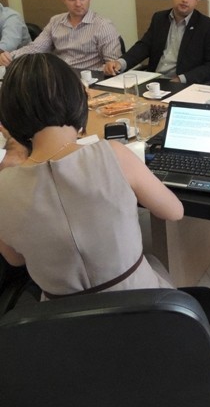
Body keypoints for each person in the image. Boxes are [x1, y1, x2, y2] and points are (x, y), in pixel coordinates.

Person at [0, 53, 184, 298]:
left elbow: (15, 259)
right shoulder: (114, 154)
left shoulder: (4, 185)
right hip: (141, 304)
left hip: (60, 317)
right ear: (77, 98)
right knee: (153, 264)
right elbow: (174, 211)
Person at [103, 0, 210, 84]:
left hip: (184, 85)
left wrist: (181, 79)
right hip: (154, 82)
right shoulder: (159, 18)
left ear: (197, 0)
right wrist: (120, 63)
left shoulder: (208, 26)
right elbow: (143, 46)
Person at [0, 0, 121, 71]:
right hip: (58, 76)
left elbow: (113, 64)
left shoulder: (103, 26)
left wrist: (109, 68)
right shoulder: (56, 21)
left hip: (90, 79)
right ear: (63, 0)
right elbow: (36, 48)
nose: (78, 4)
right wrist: (10, 56)